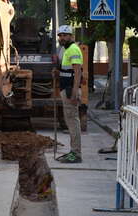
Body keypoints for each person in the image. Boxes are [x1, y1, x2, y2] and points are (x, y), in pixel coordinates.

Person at [55, 25, 83, 163]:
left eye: (65, 35)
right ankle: (73, 151)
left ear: (71, 36)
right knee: (70, 121)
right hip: (65, 89)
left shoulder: (73, 49)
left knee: (73, 121)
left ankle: (76, 153)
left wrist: (74, 93)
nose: (62, 37)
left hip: (70, 90)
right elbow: (65, 69)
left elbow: (77, 72)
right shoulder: (64, 49)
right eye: (60, 35)